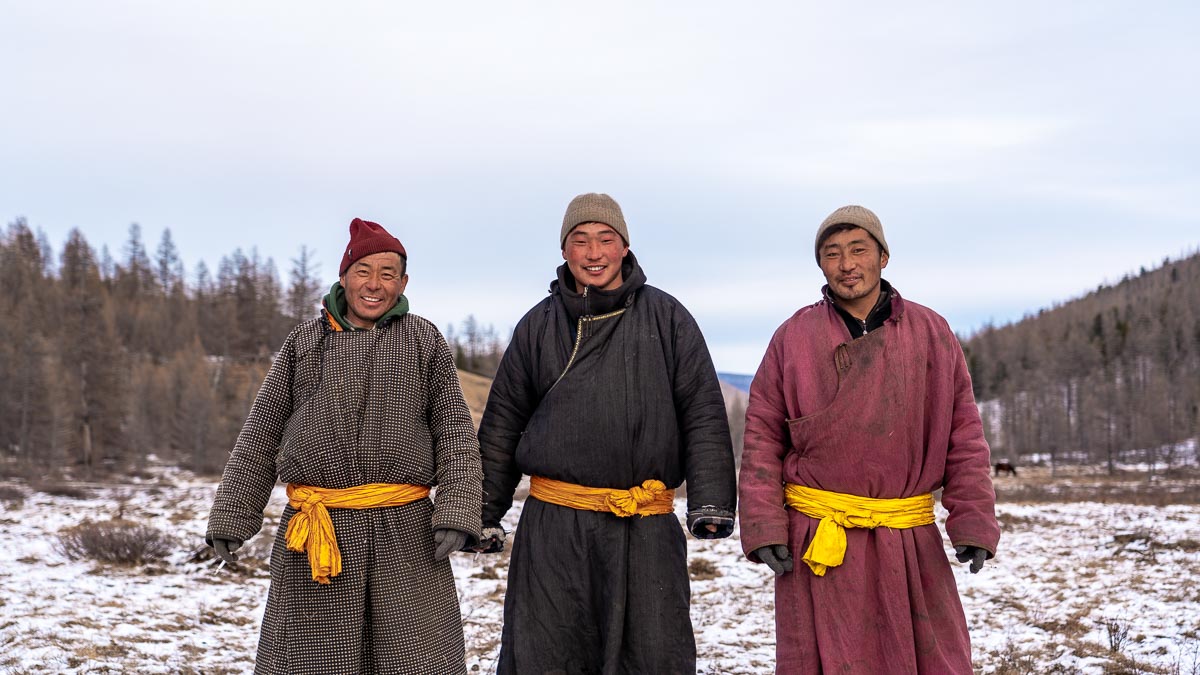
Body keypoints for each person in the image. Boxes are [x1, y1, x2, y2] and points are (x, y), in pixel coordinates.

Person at [205, 218, 483, 675]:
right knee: (309, 661)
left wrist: (456, 512)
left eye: (387, 274)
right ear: (344, 275)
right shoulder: (304, 344)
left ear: (403, 283)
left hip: (406, 536)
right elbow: (260, 437)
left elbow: (455, 436)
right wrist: (234, 515)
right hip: (317, 535)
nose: (374, 285)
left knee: (416, 660)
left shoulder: (422, 341)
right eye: (364, 271)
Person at [476, 193, 737, 674]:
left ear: (624, 247)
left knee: (652, 653)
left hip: (645, 525)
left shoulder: (668, 317)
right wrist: (484, 513)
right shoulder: (538, 326)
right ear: (564, 251)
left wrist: (712, 502)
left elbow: (701, 410)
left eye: (605, 239)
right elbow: (503, 424)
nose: (593, 252)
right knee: (549, 652)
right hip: (555, 528)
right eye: (581, 240)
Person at [738, 205, 1000, 673]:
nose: (846, 264)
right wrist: (762, 525)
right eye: (832, 254)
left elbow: (964, 433)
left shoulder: (930, 332)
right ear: (821, 265)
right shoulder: (792, 337)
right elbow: (761, 435)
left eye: (859, 250)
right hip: (820, 538)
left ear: (883, 257)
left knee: (928, 656)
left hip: (908, 538)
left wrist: (974, 520)